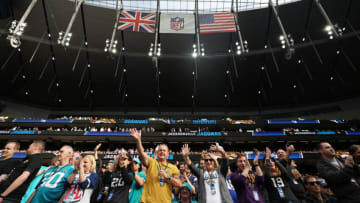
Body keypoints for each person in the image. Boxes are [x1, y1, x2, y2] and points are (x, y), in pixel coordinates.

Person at [130, 128, 181, 203]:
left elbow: (179, 184)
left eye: (164, 150)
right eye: (160, 150)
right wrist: (138, 140)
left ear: (168, 154)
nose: (162, 152)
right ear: (157, 153)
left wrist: (167, 177)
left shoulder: (173, 167)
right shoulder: (152, 162)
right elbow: (141, 153)